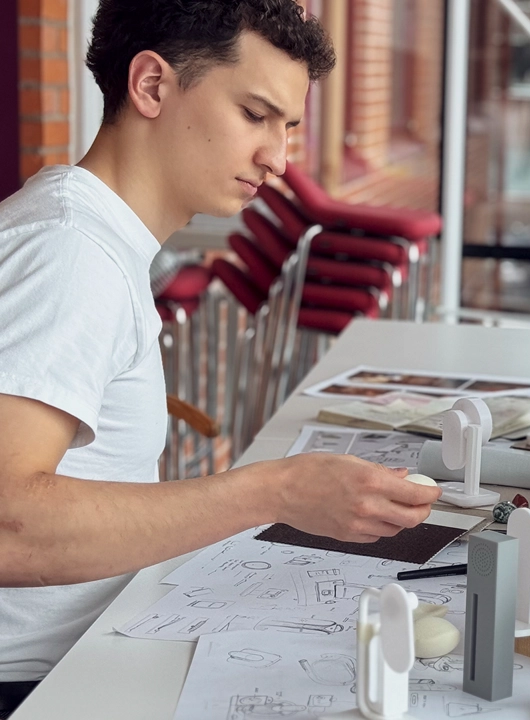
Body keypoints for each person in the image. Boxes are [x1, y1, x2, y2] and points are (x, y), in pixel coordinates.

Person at [0, 1, 441, 713]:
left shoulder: (93, 241)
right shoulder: (68, 255)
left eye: (289, 128)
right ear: (150, 86)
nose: (279, 158)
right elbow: (6, 524)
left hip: (93, 648)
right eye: (255, 115)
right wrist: (275, 491)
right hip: (37, 688)